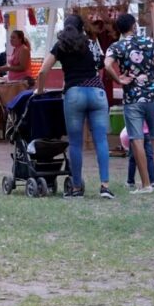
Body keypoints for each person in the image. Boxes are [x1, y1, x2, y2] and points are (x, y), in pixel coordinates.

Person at [36, 15, 115, 199]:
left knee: (75, 143)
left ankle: (77, 188)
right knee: (101, 141)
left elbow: (42, 71)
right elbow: (101, 64)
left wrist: (39, 91)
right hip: (97, 93)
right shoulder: (91, 43)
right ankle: (105, 186)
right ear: (82, 28)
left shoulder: (61, 45)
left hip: (74, 94)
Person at [105, 13, 154, 193]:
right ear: (134, 26)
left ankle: (146, 184)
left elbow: (107, 65)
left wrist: (118, 79)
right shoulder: (149, 42)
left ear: (119, 29)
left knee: (137, 140)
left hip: (132, 98)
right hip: (152, 96)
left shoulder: (117, 46)